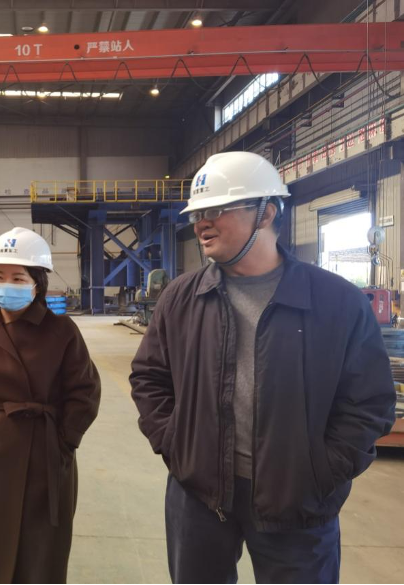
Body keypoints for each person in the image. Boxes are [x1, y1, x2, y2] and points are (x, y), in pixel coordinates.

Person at [130, 151, 397, 584]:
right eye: (197, 213)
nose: (201, 224)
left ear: (266, 212)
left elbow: (369, 401)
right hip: (199, 494)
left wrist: (321, 471)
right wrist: (177, 446)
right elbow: (149, 377)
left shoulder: (336, 302)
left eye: (216, 210)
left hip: (297, 501)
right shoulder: (181, 298)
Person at [0, 226, 101, 584]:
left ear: (36, 284)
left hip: (46, 453)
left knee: (39, 553)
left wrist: (64, 441)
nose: (6, 285)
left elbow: (84, 391)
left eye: (18, 278)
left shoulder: (62, 331)